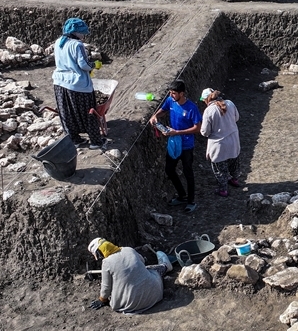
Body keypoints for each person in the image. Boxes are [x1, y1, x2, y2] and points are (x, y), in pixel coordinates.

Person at [150, 80, 202, 213]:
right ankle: (181, 195)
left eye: (174, 93)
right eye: (171, 93)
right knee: (169, 169)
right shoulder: (170, 101)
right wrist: (155, 116)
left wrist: (177, 132)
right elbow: (163, 110)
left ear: (182, 93)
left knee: (188, 172)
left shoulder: (191, 108)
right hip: (174, 143)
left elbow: (197, 128)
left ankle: (191, 201)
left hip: (186, 145)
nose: (171, 95)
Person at [52, 17, 104, 149]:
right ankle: (95, 142)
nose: (83, 36)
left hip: (59, 83)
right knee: (89, 112)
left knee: (67, 113)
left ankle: (74, 140)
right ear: (75, 32)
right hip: (78, 85)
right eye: (82, 33)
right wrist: (95, 65)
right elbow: (84, 65)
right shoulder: (77, 45)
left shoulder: (58, 42)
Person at [87, 238, 169, 314]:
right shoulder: (128, 250)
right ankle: (165, 266)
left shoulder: (106, 263)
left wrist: (102, 300)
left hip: (130, 304)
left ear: (99, 252)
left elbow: (106, 287)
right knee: (152, 271)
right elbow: (143, 262)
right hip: (155, 295)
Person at [199, 88, 242, 197]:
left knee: (219, 170)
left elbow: (205, 132)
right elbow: (236, 118)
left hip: (218, 146)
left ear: (207, 99)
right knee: (234, 163)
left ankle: (223, 189)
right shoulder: (230, 104)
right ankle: (235, 179)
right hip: (233, 141)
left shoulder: (209, 111)